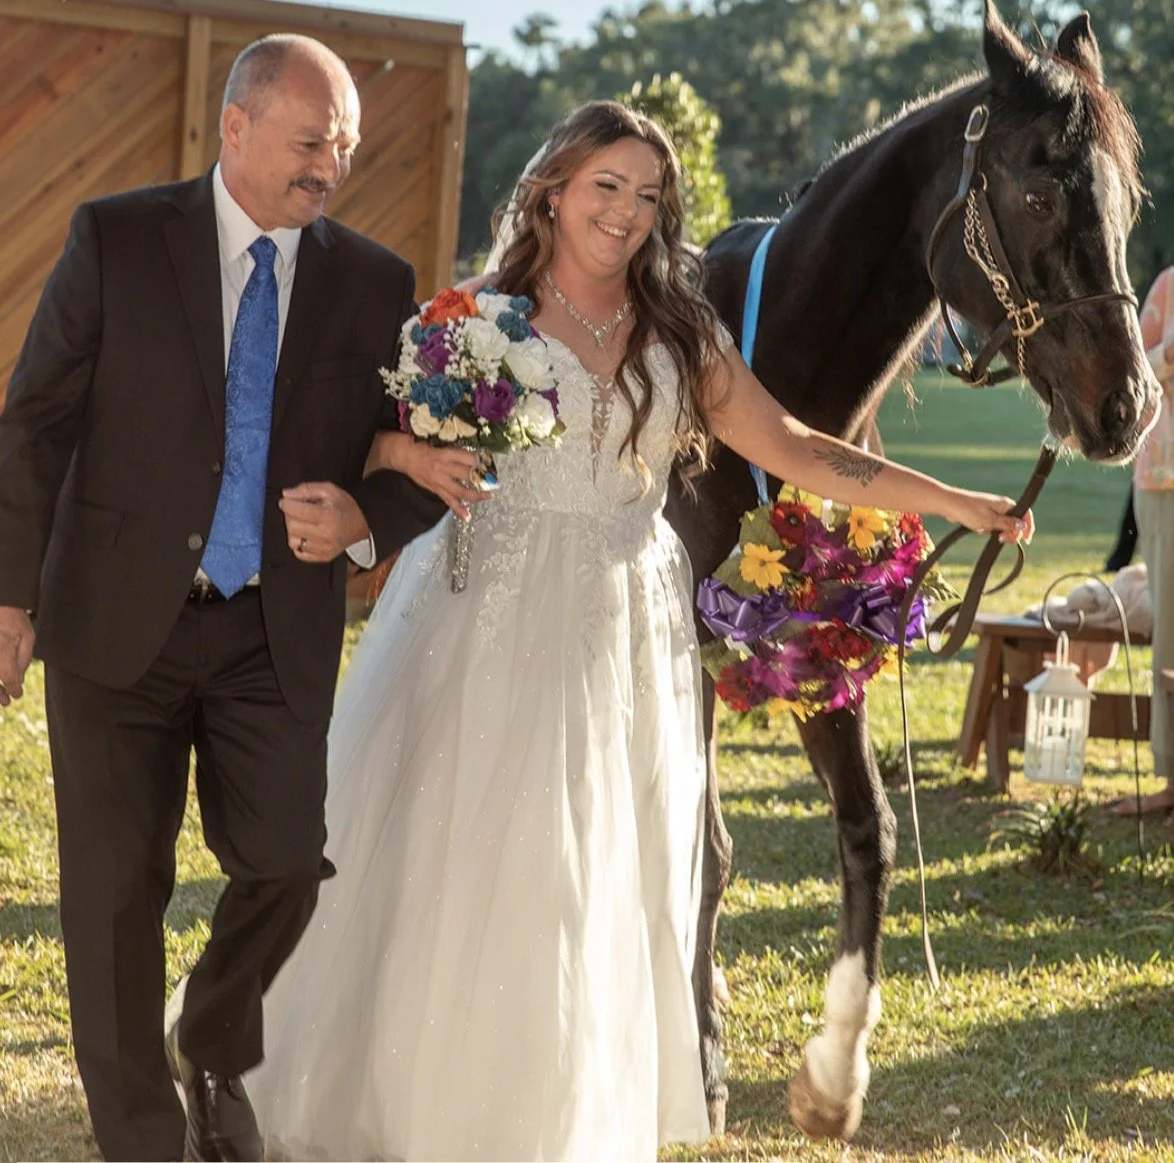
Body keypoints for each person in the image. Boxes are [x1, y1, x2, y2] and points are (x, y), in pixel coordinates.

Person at [243, 100, 1032, 1163]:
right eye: (604, 187)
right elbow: (375, 440)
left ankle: (550, 1119)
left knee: (590, 873)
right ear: (552, 191)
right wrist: (394, 465)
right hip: (487, 618)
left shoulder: (682, 331)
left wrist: (954, 500)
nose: (624, 212)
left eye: (646, 195)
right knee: (461, 857)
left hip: (620, 630)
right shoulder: (479, 317)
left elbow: (798, 445)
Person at [0, 35, 480, 1163]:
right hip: (114, 621)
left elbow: (426, 456)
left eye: (345, 146)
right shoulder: (117, 238)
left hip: (275, 625)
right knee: (115, 897)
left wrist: (365, 517)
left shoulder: (372, 281)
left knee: (283, 863)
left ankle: (211, 1037)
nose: (331, 167)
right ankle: (145, 1142)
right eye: (311, 141)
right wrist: (8, 597)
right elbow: (33, 423)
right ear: (236, 125)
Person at [1113, 265, 1174, 818]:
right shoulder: (1167, 289)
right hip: (1165, 480)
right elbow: (1134, 376)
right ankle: (1171, 772)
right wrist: (1170, 356)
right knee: (1173, 632)